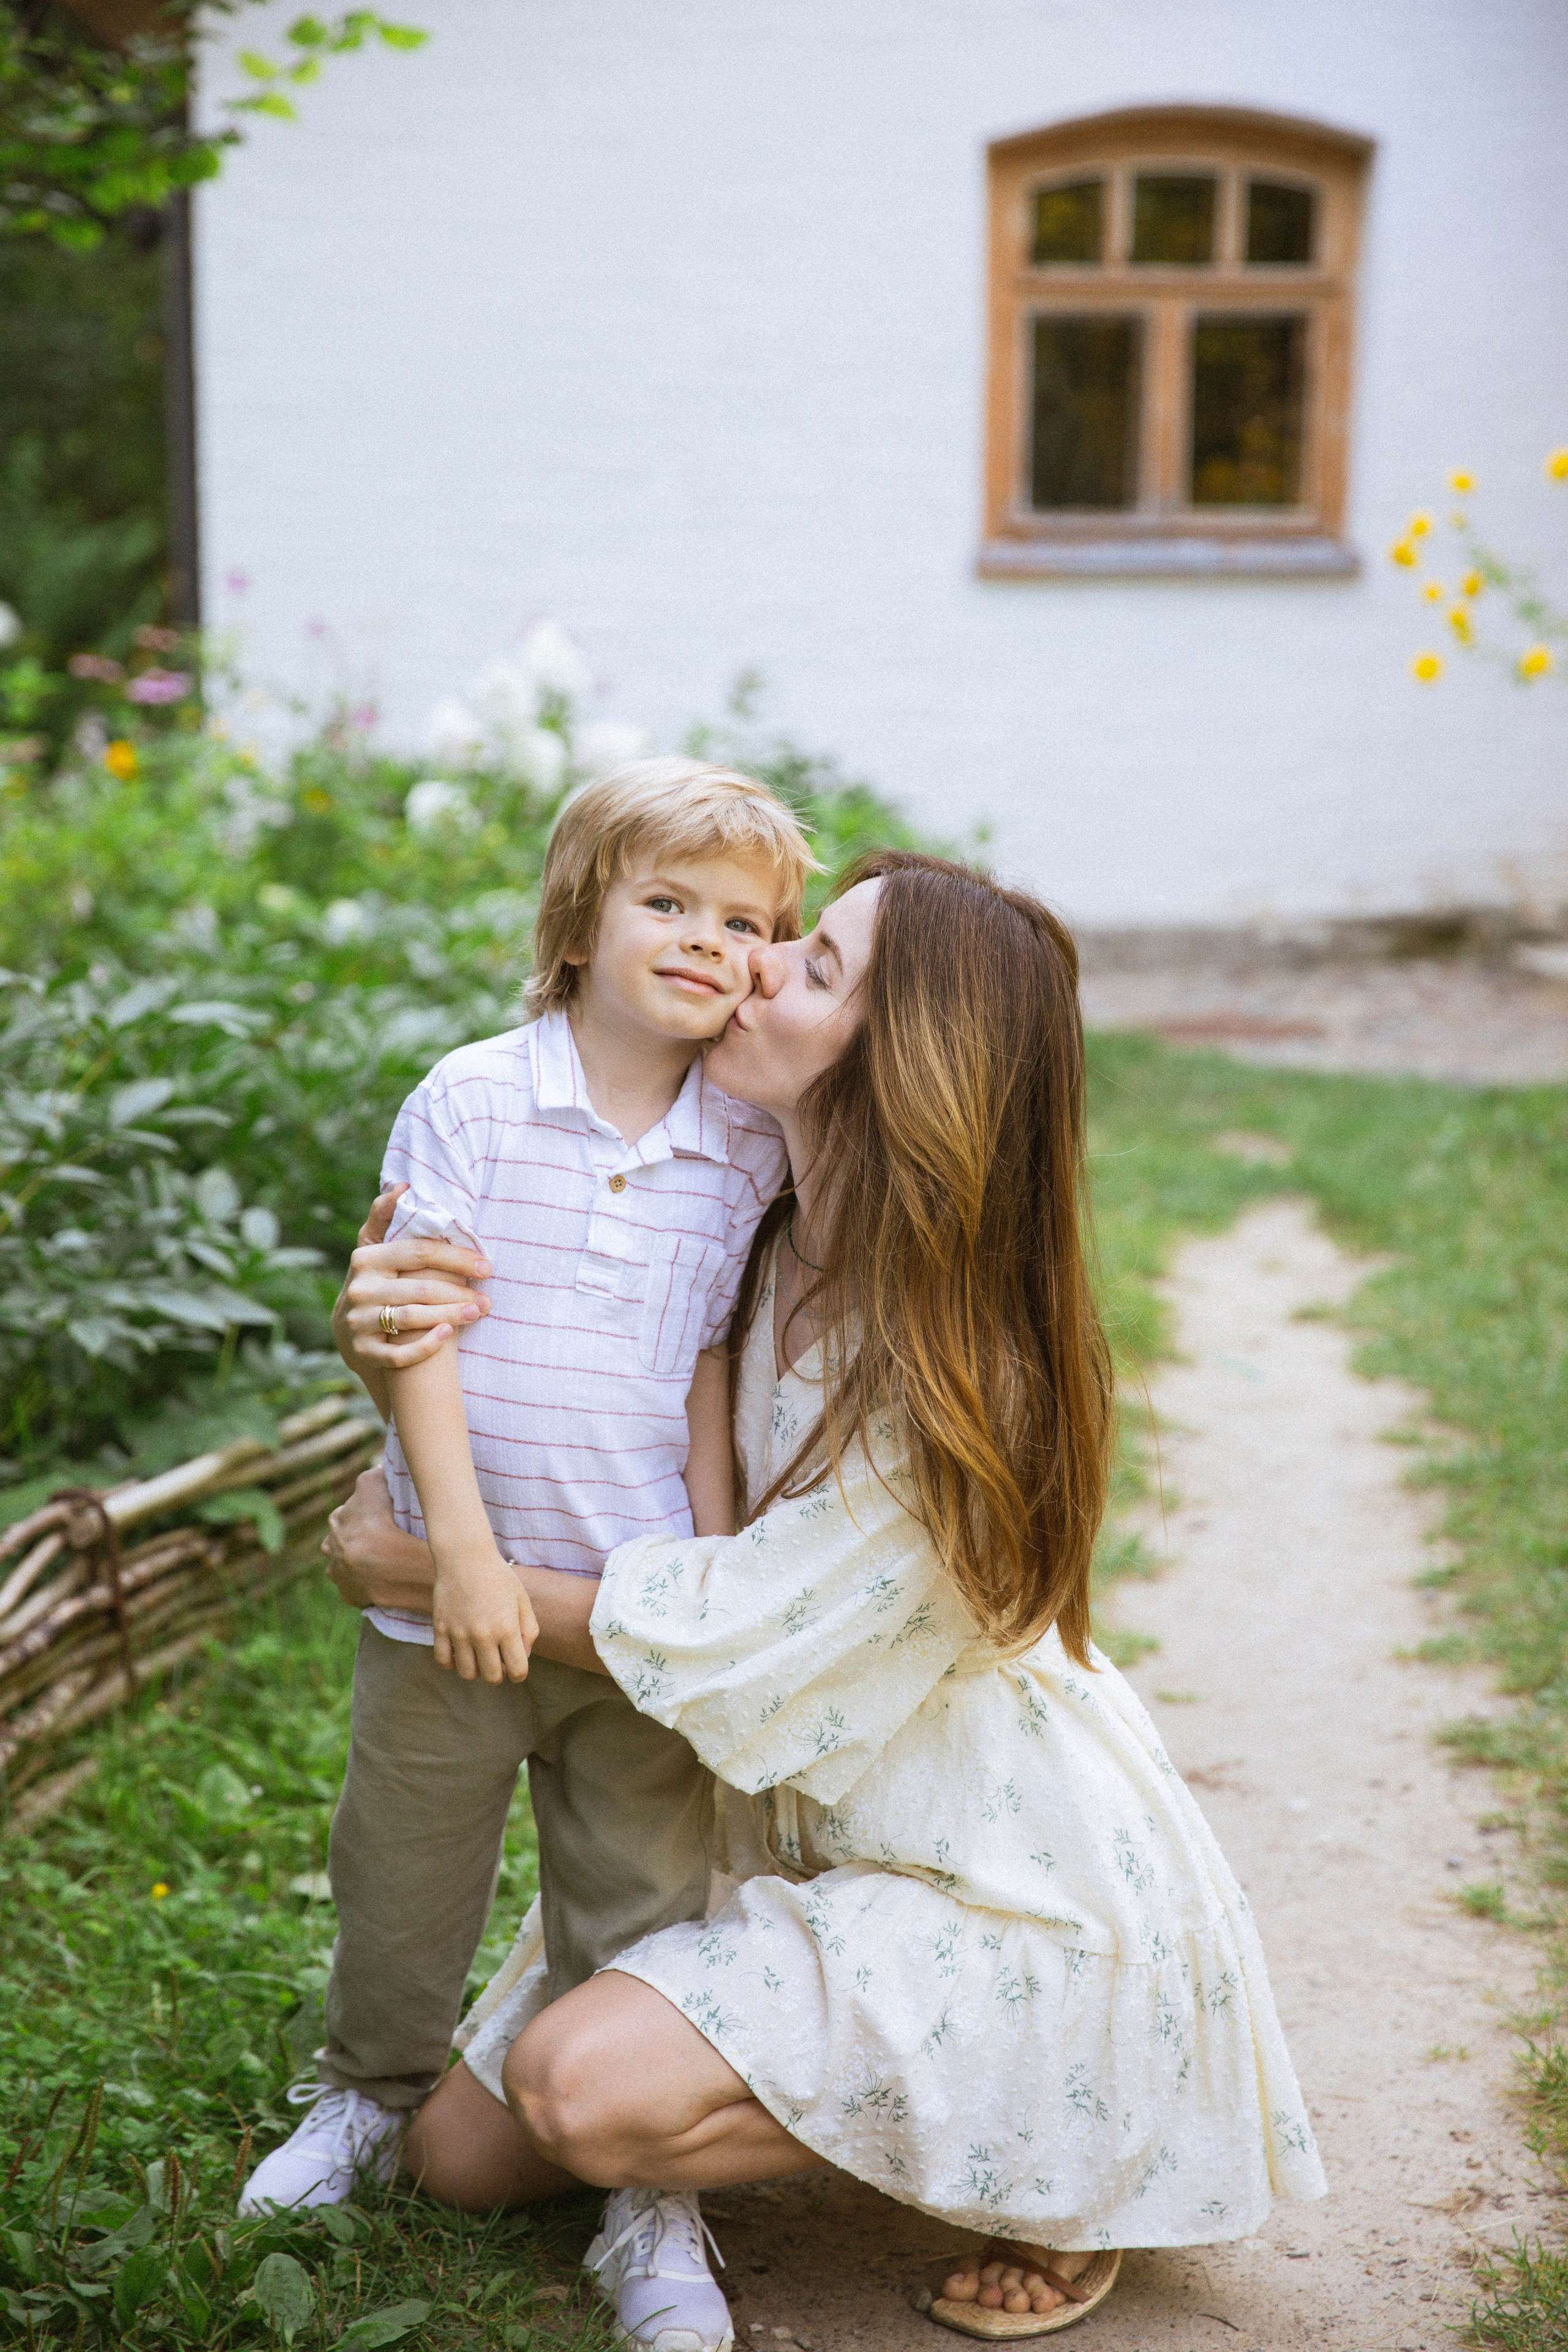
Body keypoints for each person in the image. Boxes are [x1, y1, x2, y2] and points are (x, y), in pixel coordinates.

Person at [326, 851, 1326, 2346]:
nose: (757, 963)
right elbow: (541, 1367)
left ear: (893, 1060)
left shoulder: (962, 1373)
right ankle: (906, 2089)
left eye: (811, 966)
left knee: (582, 2090)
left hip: (984, 1861)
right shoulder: (753, 1221)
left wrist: (418, 1570)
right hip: (774, 1806)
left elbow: (737, 1634)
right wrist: (389, 1325)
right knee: (461, 2164)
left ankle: (1065, 2130)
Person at [239, 759, 815, 2218]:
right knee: (403, 1872)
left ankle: (644, 2196)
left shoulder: (743, 1147)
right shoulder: (478, 1102)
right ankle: (367, 2091)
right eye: (667, 902)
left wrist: (709, 1561)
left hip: (626, 1612)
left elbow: (701, 1362)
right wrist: (466, 1563)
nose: (708, 940)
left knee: (636, 1895)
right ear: (575, 926)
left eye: (745, 923)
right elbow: (414, 1328)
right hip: (451, 1595)